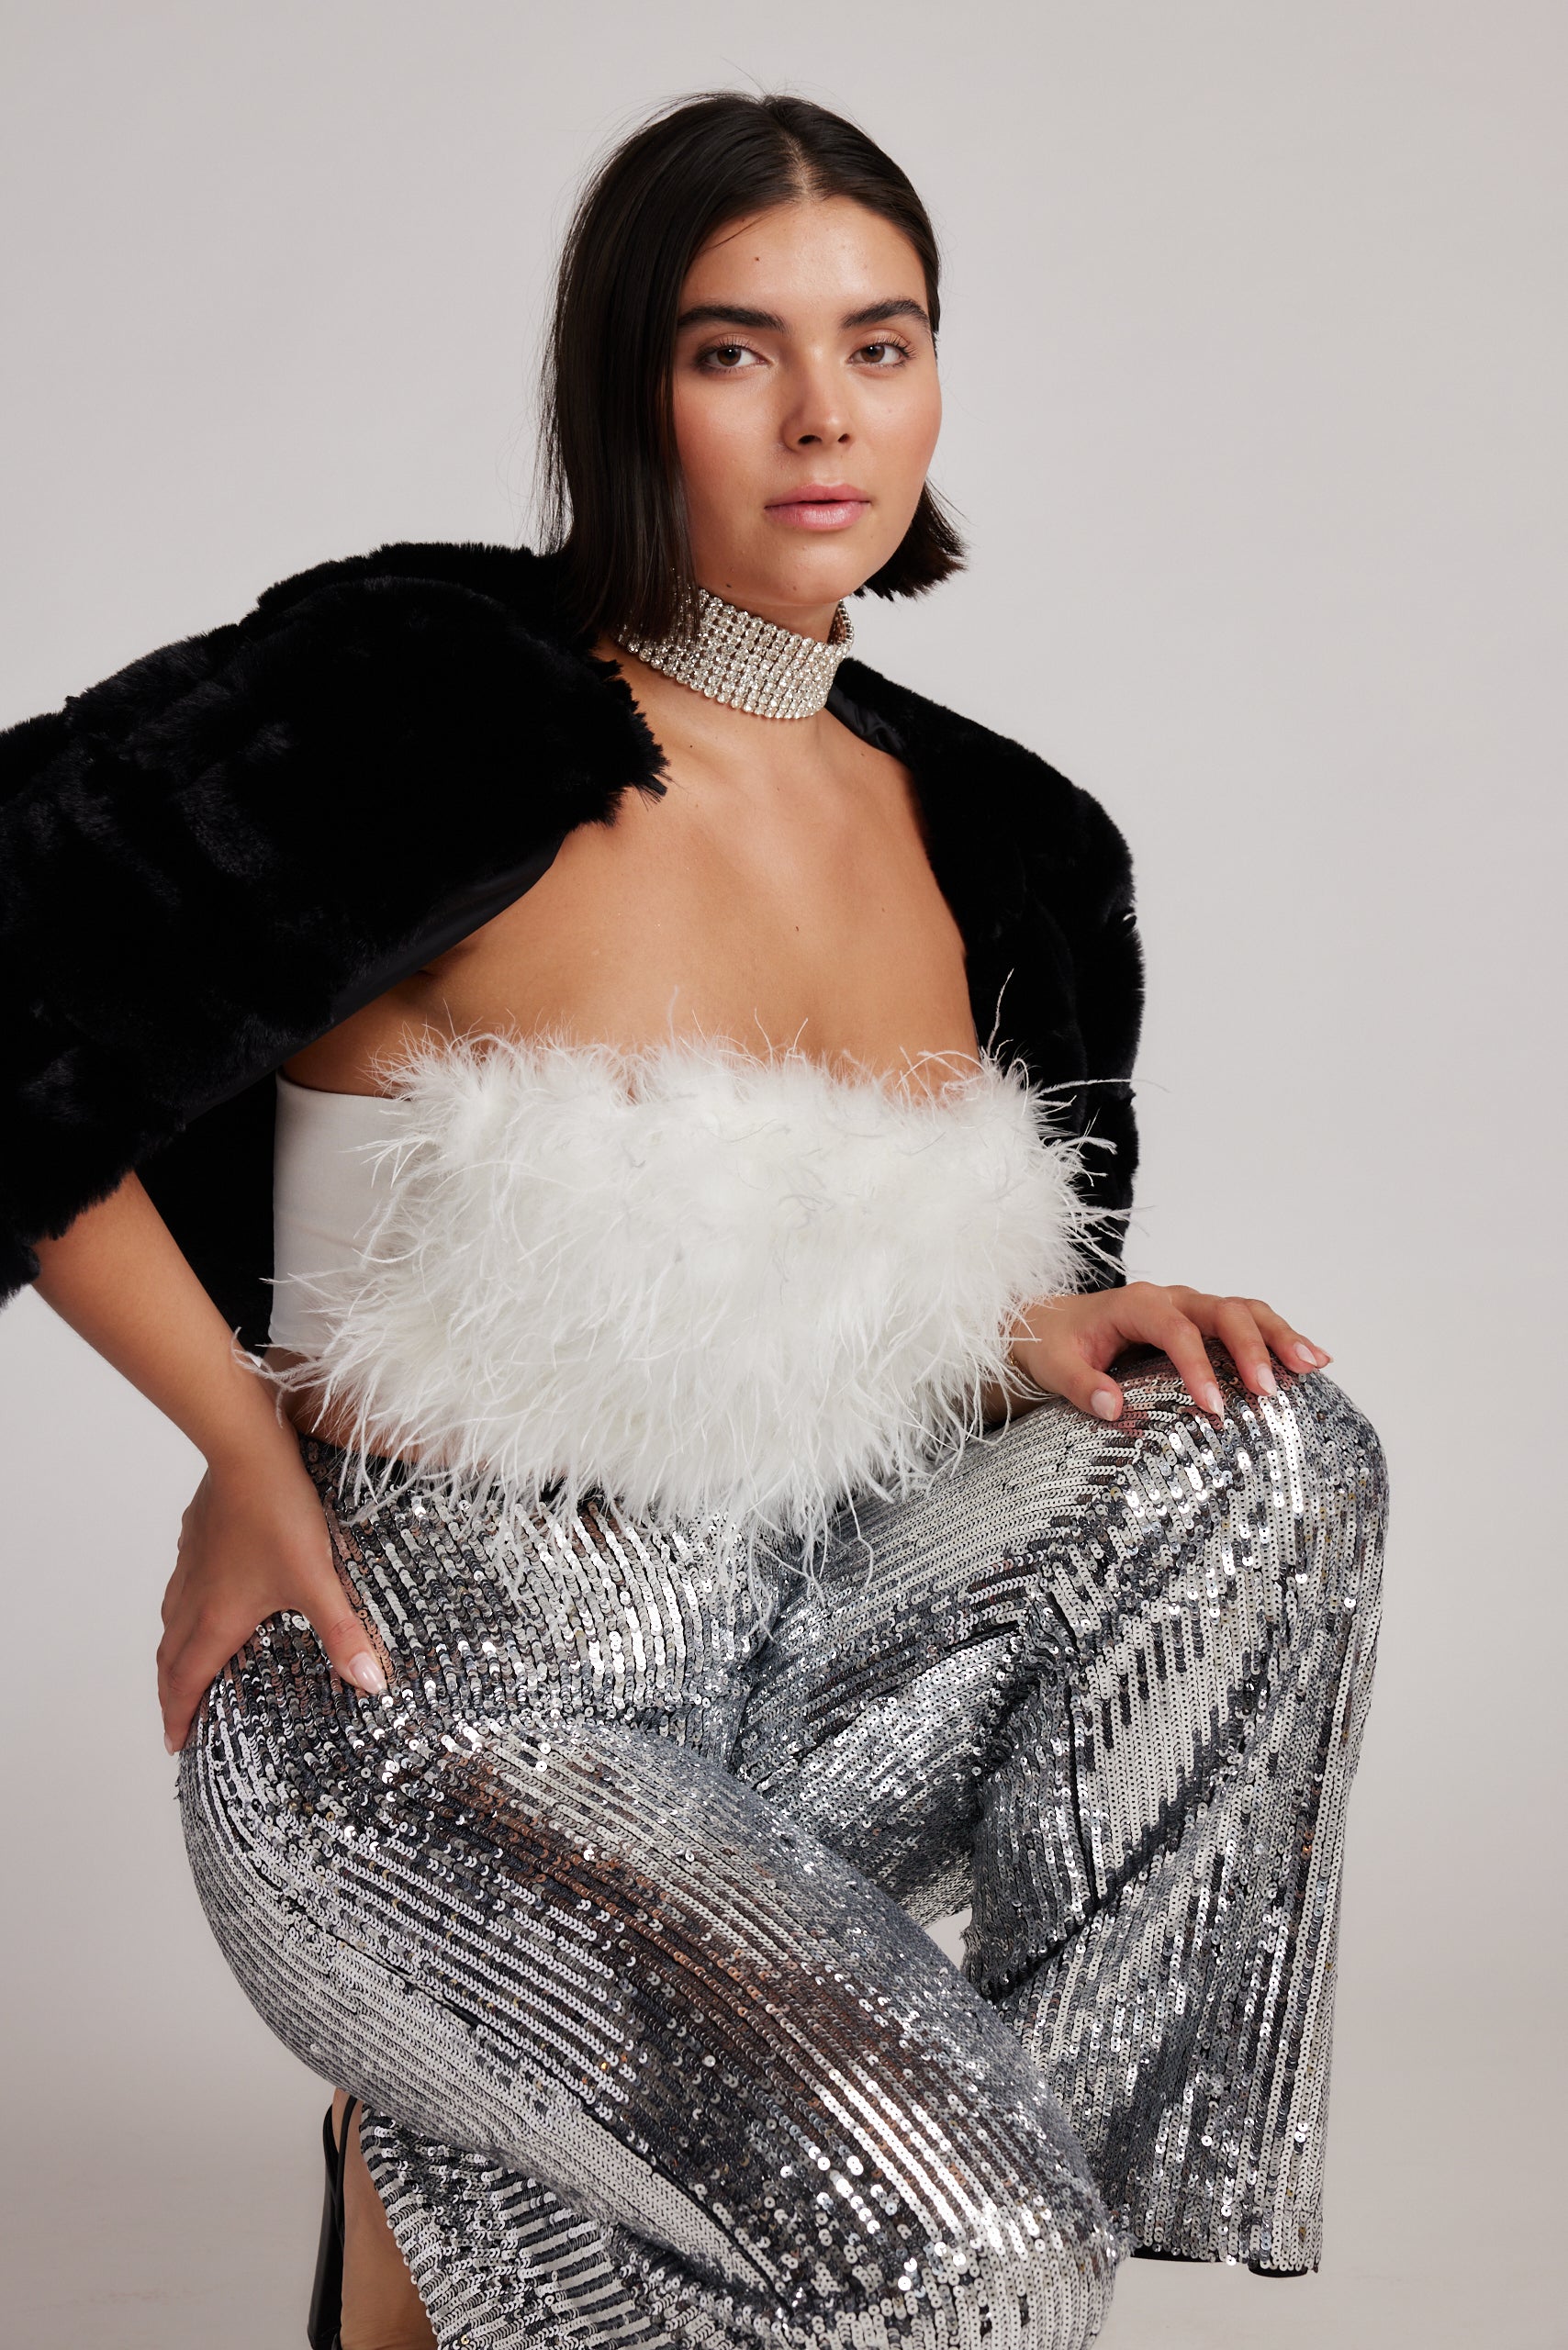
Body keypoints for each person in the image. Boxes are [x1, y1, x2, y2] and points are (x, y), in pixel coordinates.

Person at [3, 90, 1385, 2350]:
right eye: (734, 350)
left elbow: (764, 1325)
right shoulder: (432, 698)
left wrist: (1013, 1332)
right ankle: (727, 2176)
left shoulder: (1004, 833)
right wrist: (241, 1450)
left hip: (793, 1679)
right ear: (620, 389)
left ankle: (968, 2164)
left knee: (1261, 1450)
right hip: (422, 1691)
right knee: (962, 2255)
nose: (824, 416)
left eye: (879, 343)